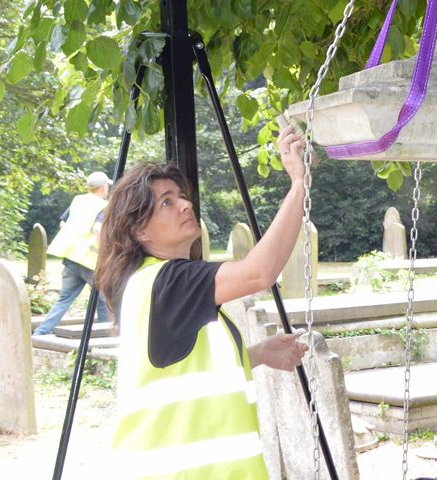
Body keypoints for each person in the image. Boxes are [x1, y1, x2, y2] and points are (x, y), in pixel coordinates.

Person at [95, 125, 311, 479]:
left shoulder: (150, 283)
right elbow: (259, 273)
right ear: (139, 230)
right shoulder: (168, 282)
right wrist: (298, 185)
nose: (185, 204)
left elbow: (180, 370)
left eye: (181, 196)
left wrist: (256, 354)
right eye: (167, 201)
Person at [34, 171, 113, 336]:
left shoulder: (78, 200)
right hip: (90, 261)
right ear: (103, 187)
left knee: (64, 300)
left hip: (70, 257)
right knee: (104, 298)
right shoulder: (103, 206)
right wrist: (105, 252)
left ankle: (41, 332)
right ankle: (105, 334)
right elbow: (98, 229)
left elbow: (63, 223)